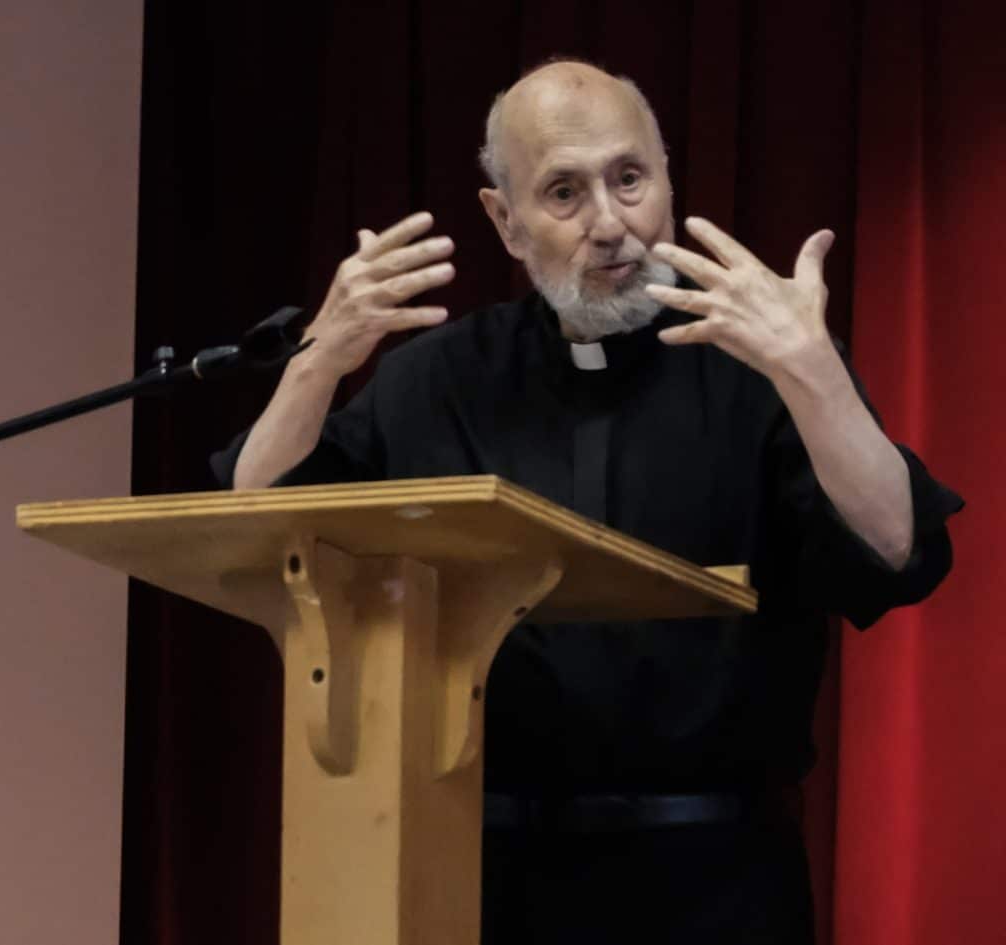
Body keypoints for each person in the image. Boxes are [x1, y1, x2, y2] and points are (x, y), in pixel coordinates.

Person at [212, 61, 962, 944]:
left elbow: (897, 547)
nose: (611, 225)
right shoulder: (438, 377)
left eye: (630, 179)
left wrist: (816, 376)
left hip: (716, 882)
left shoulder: (761, 367)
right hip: (481, 878)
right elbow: (257, 520)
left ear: (667, 177)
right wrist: (318, 362)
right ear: (505, 220)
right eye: (564, 193)